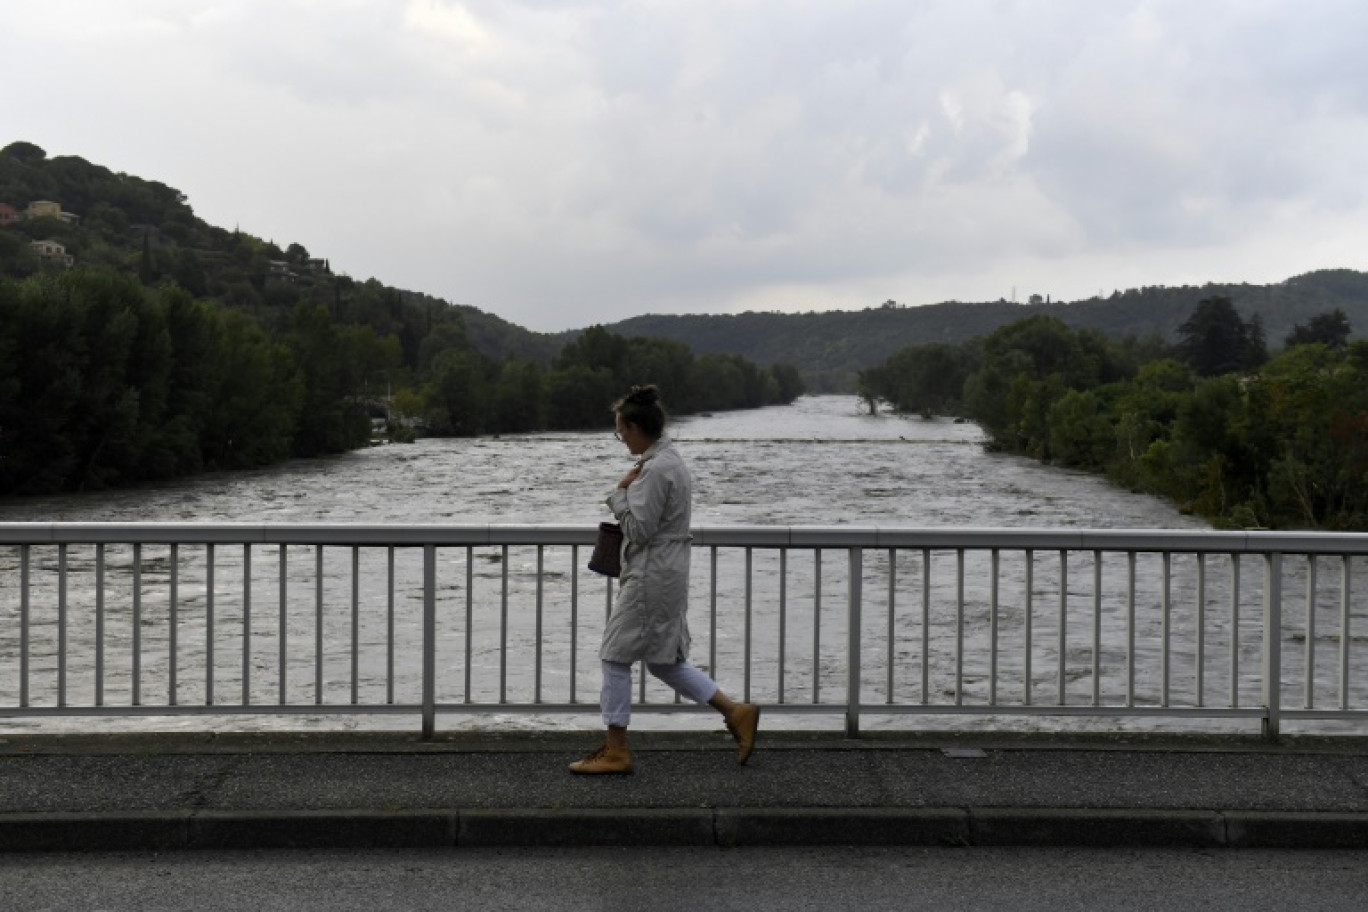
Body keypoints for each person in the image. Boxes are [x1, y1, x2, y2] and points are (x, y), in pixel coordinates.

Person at [570, 385, 761, 775]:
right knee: (664, 660)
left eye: (621, 430)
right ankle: (735, 712)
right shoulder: (667, 460)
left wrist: (618, 495)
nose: (620, 437)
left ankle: (616, 750)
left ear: (637, 427)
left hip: (652, 573)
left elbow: (639, 530)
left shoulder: (656, 469)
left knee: (614, 655)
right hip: (665, 570)